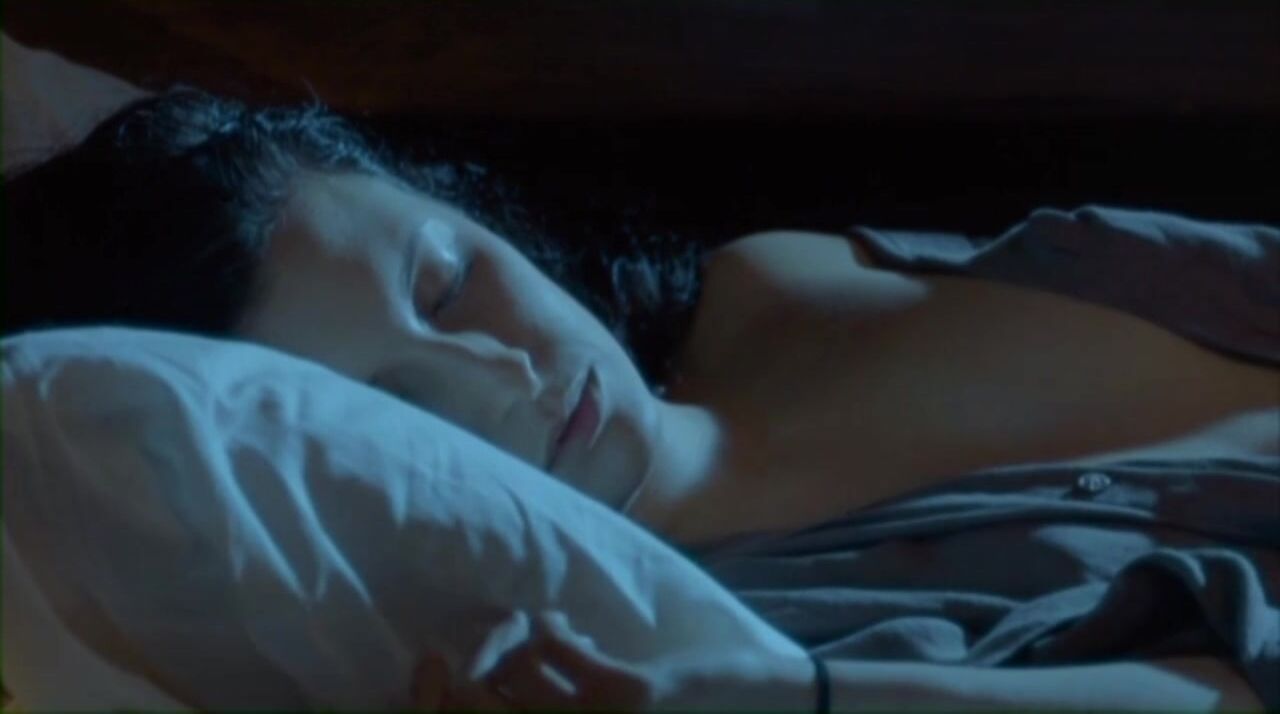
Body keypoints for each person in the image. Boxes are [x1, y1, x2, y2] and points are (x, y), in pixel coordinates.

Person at [5, 87, 1274, 711]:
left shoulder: (771, 280)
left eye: (447, 285)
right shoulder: (684, 643)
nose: (498, 376)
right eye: (399, 413)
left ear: (454, 203)